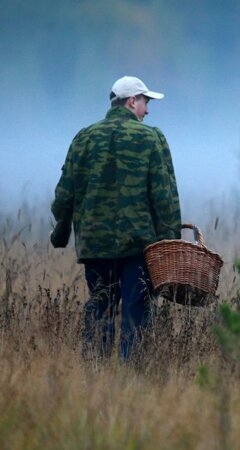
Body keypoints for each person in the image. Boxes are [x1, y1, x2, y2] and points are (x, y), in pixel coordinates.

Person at [50, 76, 181, 361]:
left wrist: (60, 235)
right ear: (132, 101)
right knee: (136, 313)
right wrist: (170, 245)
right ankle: (131, 380)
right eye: (145, 102)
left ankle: (95, 376)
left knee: (100, 308)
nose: (147, 110)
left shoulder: (83, 138)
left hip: (95, 246)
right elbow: (165, 197)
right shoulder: (151, 139)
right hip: (138, 249)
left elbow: (63, 197)